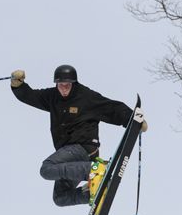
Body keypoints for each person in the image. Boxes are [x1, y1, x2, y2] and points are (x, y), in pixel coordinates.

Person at [10, 64, 147, 207]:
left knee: (46, 169)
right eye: (60, 85)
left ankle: (95, 170)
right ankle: (93, 193)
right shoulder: (52, 97)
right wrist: (18, 85)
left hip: (83, 148)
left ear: (73, 83)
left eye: (67, 85)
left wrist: (134, 120)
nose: (63, 89)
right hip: (70, 157)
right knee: (60, 198)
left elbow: (111, 108)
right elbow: (31, 96)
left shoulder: (86, 97)